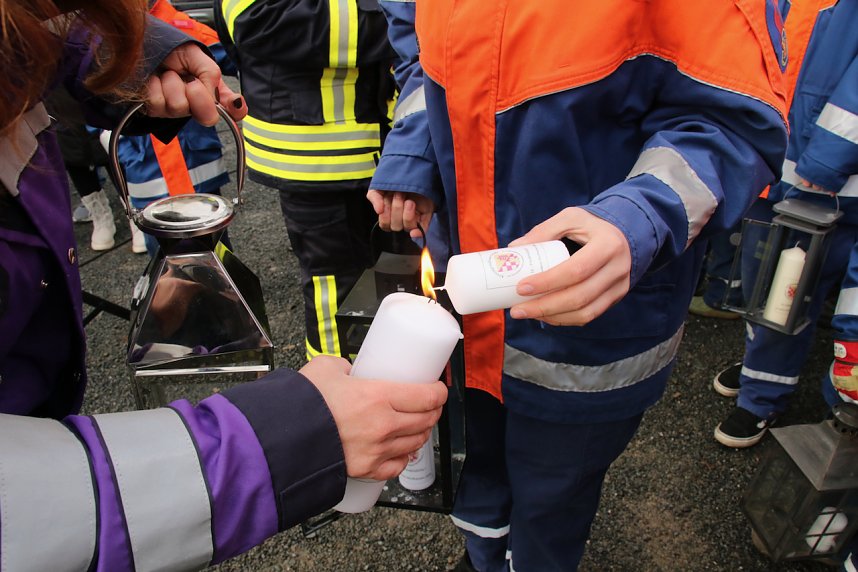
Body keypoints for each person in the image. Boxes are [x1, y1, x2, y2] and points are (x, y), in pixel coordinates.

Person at [0, 1, 446, 570]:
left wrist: (137, 50)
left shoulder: (32, 34)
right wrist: (298, 437)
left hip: (376, 157)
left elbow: (38, 33)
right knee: (331, 292)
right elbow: (33, 513)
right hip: (316, 160)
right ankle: (347, 401)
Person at [368, 1, 790, 570]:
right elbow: (421, 57)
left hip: (588, 322)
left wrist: (639, 219)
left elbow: (731, 120)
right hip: (467, 305)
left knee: (553, 495)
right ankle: (484, 556)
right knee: (476, 467)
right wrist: (416, 153)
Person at [214, 0, 396, 361]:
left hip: (383, 152)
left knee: (395, 281)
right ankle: (338, 393)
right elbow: (254, 19)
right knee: (338, 293)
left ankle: (395, 379)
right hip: (317, 161)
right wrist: (399, 17)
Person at [712, 0, 858, 449]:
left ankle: (763, 398)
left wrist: (826, 159)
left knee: (790, 289)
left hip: (820, 175)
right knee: (765, 280)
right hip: (778, 155)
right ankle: (761, 371)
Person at [45, 86, 119, 251]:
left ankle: (132, 211)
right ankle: (100, 215)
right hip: (56, 101)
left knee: (110, 149)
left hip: (91, 90)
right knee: (71, 151)